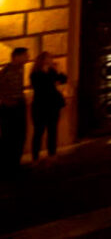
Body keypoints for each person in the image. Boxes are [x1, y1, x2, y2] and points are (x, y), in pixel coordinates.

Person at [29, 52, 67, 164]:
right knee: (38, 132)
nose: (52, 59)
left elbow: (63, 79)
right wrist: (53, 79)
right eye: (49, 57)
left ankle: (52, 154)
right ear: (43, 60)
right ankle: (35, 157)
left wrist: (58, 70)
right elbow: (42, 86)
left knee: (52, 130)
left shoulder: (52, 71)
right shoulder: (35, 74)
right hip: (40, 106)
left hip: (53, 105)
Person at [0, 47, 28, 179]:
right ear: (16, 56)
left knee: (20, 136)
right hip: (10, 107)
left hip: (18, 105)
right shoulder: (7, 71)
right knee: (10, 137)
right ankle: (8, 167)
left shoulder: (20, 70)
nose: (28, 58)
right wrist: (6, 101)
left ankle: (15, 164)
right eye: (25, 55)